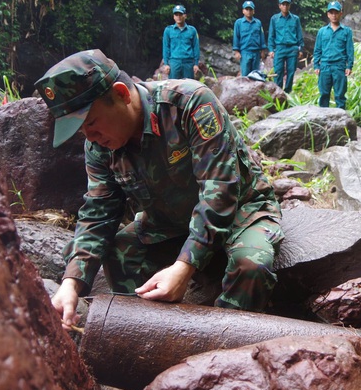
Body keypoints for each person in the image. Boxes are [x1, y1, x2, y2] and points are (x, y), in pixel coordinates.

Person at [34, 49, 284, 328]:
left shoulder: (189, 103)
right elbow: (98, 213)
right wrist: (71, 284)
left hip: (242, 210)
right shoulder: (99, 146)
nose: (89, 137)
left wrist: (184, 267)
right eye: (81, 131)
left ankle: (222, 347)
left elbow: (221, 190)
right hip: (168, 221)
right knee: (118, 254)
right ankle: (146, 334)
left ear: (121, 94)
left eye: (90, 123)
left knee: (251, 265)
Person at [313, 1, 354, 109]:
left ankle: (342, 122)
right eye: (331, 12)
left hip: (339, 66)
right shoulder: (322, 31)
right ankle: (323, 120)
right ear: (328, 14)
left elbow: (350, 50)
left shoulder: (346, 31)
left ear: (341, 13)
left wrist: (349, 66)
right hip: (325, 66)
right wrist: (316, 65)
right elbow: (317, 49)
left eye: (336, 12)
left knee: (340, 96)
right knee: (324, 95)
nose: (334, 15)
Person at [268, 0, 304, 93]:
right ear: (279, 6)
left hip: (292, 48)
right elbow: (271, 35)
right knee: (278, 71)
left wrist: (300, 49)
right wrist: (271, 49)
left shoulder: (295, 19)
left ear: (289, 6)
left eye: (287, 4)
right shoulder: (274, 19)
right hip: (279, 48)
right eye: (283, 4)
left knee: (291, 71)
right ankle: (278, 92)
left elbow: (299, 34)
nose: (285, 6)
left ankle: (287, 92)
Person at [162, 5, 201, 79]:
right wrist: (166, 64)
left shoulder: (192, 30)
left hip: (188, 63)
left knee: (189, 87)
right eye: (176, 15)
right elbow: (166, 47)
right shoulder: (168, 30)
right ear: (174, 17)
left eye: (180, 14)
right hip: (174, 62)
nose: (178, 17)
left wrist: (196, 64)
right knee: (173, 87)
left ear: (185, 16)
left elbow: (196, 47)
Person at [233, 1, 267, 77]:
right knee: (245, 75)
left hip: (256, 52)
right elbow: (236, 37)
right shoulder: (239, 23)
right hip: (245, 52)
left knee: (256, 75)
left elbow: (261, 36)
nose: (249, 11)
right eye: (247, 9)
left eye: (250, 10)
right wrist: (236, 51)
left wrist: (263, 50)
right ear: (243, 11)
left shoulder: (258, 23)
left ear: (253, 11)